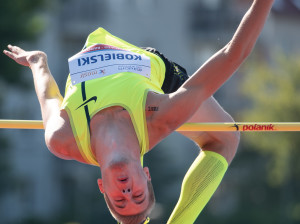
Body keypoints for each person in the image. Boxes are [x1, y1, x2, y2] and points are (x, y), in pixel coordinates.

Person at [3, 0, 274, 223]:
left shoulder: (63, 139)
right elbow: (233, 54)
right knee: (227, 138)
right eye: (138, 196)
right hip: (156, 73)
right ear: (146, 175)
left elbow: (50, 98)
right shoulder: (161, 117)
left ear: (102, 187)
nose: (127, 191)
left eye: (120, 199)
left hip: (98, 58)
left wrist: (38, 61)